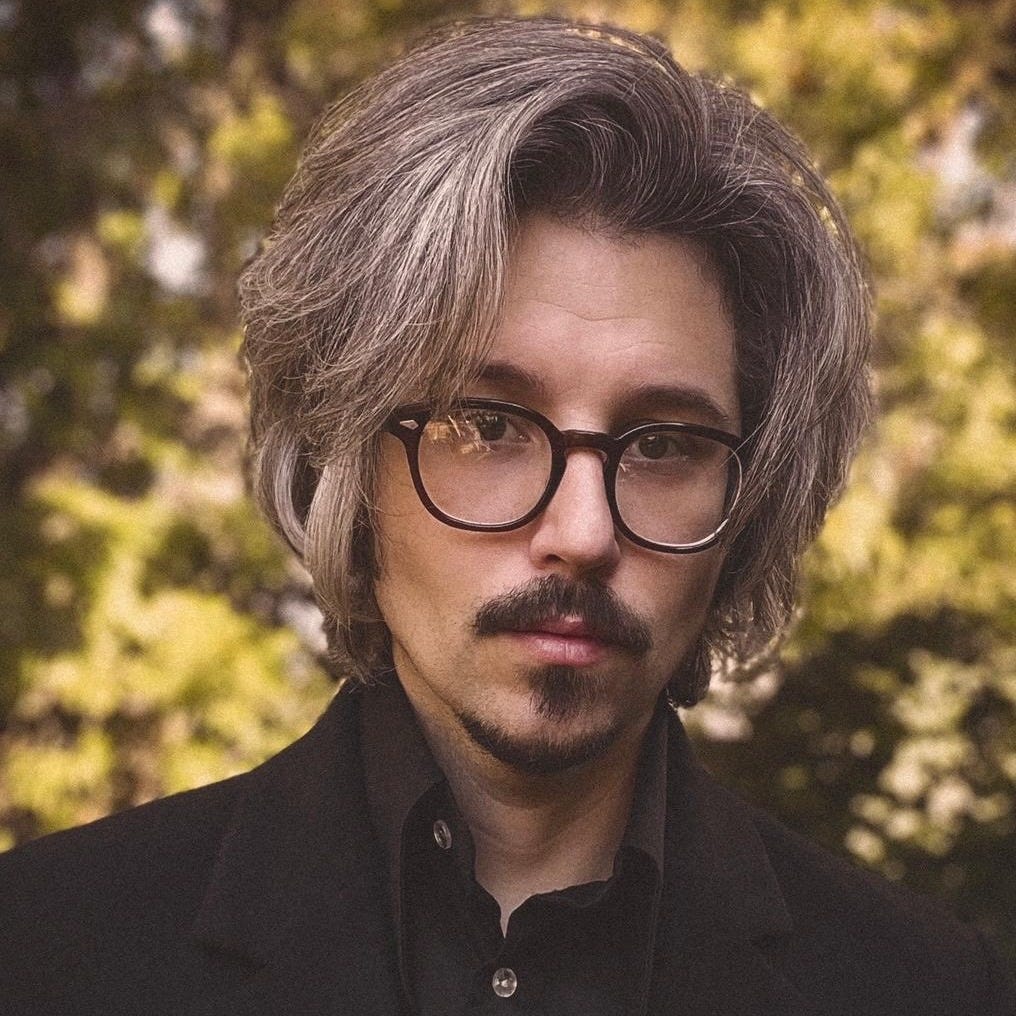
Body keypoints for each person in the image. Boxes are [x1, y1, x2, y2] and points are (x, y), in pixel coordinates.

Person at [1, 15, 1012, 1016]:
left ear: (749, 503)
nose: (581, 531)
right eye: (487, 424)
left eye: (662, 443)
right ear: (344, 458)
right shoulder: (45, 947)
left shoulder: (925, 986)